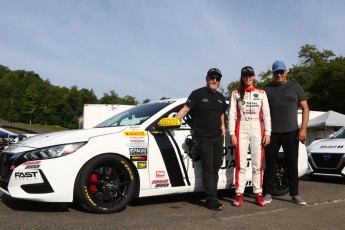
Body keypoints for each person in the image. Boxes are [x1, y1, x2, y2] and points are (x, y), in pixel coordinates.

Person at [175, 68, 227, 211]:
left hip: (218, 138)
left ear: (219, 81)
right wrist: (171, 122)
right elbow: (185, 110)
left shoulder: (221, 97)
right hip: (203, 138)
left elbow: (222, 113)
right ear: (206, 78)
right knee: (208, 168)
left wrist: (223, 125)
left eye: (217, 78)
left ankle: (213, 195)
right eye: (212, 77)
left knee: (215, 168)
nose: (214, 80)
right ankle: (211, 200)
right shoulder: (197, 94)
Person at [263, 60, 310, 205]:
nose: (279, 74)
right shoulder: (266, 89)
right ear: (273, 73)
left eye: (281, 71)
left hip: (291, 132)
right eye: (276, 72)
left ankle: (295, 194)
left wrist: (303, 129)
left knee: (291, 163)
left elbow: (305, 108)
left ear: (286, 72)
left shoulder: (295, 87)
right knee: (270, 164)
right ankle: (268, 193)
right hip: (272, 133)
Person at [229, 66, 271, 207]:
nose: (247, 77)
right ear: (242, 77)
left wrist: (268, 132)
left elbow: (266, 114)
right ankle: (239, 194)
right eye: (245, 75)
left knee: (257, 164)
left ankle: (258, 194)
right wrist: (231, 133)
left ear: (254, 76)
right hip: (241, 128)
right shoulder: (236, 93)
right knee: (241, 164)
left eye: (250, 75)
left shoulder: (261, 93)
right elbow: (232, 115)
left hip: (257, 129)